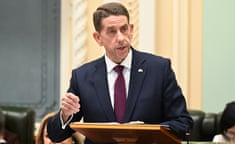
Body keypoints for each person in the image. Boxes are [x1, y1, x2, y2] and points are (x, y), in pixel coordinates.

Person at [47, 2, 193, 144]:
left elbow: (184, 124)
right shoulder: (83, 76)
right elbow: (55, 134)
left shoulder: (159, 69)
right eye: (112, 31)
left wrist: (150, 131)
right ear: (98, 38)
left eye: (124, 29)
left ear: (131, 29)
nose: (121, 38)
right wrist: (65, 115)